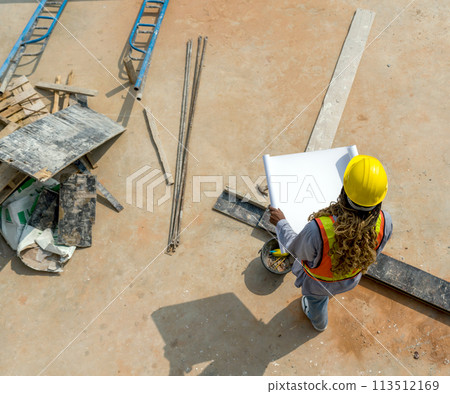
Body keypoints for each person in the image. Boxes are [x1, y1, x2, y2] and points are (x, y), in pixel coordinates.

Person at [269, 155, 393, 331]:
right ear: (379, 198)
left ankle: (319, 324)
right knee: (329, 291)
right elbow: (374, 251)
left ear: (344, 191)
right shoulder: (385, 221)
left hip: (318, 285)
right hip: (351, 279)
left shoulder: (318, 230)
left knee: (317, 304)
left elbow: (297, 249)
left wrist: (281, 224)